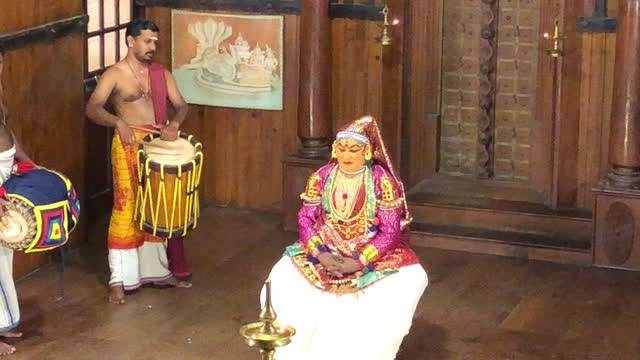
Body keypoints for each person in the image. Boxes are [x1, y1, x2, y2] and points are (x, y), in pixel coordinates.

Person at [264, 115, 428, 360]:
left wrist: (359, 261)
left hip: (371, 254)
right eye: (341, 149)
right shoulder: (322, 176)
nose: (346, 156)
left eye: (353, 150)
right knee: (284, 280)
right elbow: (306, 219)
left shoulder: (382, 181)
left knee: (401, 287)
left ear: (368, 152)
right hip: (324, 250)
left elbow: (390, 231)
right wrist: (320, 254)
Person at [86, 18, 192, 305]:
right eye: (147, 41)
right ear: (130, 41)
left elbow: (181, 105)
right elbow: (93, 107)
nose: (152, 47)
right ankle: (119, 279)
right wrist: (117, 122)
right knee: (126, 207)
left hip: (157, 146)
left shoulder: (161, 73)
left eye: (155, 42)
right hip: (128, 145)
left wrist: (174, 123)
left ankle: (157, 272)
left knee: (156, 206)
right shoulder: (115, 74)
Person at [0, 44, 39, 356]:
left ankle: (4, 321)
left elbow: (7, 130)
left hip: (6, 171)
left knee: (4, 257)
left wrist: (27, 161)